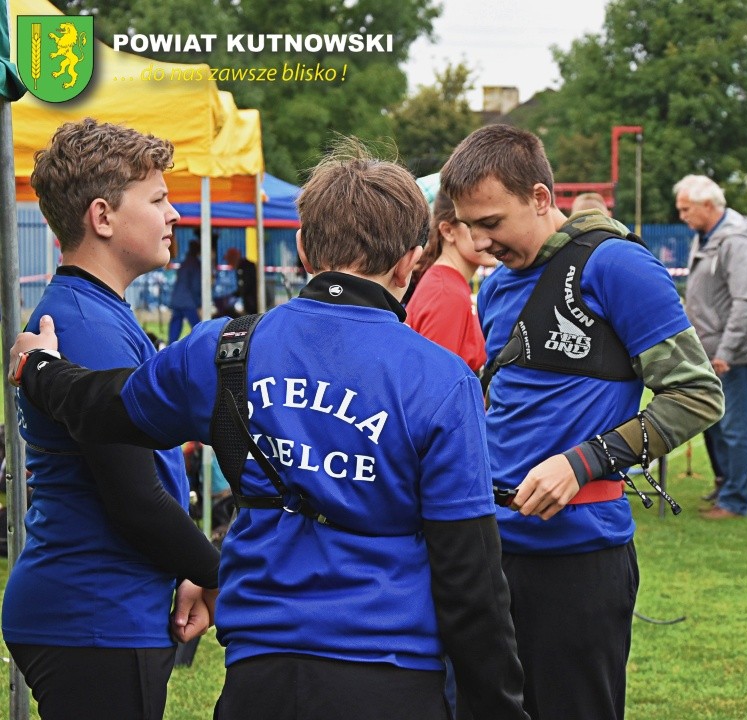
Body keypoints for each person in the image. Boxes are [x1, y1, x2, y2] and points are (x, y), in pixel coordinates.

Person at [10, 137, 529, 720]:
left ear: (303, 249)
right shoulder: (441, 379)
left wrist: (42, 366)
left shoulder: (225, 346)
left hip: (261, 676)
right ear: (412, 259)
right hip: (389, 672)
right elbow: (473, 580)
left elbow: (100, 405)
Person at [440, 124, 723, 720]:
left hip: (578, 560)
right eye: (469, 227)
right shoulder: (494, 289)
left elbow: (698, 395)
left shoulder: (616, 264)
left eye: (492, 222)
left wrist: (582, 461)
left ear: (542, 198)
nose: (481, 241)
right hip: (489, 552)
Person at [2, 118, 218, 720]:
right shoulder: (89, 327)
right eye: (158, 199)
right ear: (103, 217)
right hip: (94, 611)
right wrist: (219, 573)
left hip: (100, 608)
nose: (175, 215)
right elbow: (134, 499)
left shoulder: (99, 312)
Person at [674, 174, 747, 519]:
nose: (681, 215)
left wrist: (725, 352)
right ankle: (724, 486)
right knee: (713, 422)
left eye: (686, 208)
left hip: (733, 356)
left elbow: (746, 300)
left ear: (707, 205)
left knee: (736, 426)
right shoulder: (705, 238)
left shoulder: (736, 242)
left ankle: (735, 500)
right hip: (707, 352)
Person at [405, 189, 496, 371]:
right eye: (474, 224)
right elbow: (435, 382)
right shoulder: (446, 293)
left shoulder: (447, 283)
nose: (489, 236)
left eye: (492, 223)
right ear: (448, 231)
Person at [168, 238, 202, 342]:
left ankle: (169, 348)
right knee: (198, 328)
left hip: (177, 299)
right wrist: (198, 302)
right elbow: (196, 285)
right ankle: (201, 345)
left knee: (175, 328)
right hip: (188, 300)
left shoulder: (185, 262)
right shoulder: (195, 264)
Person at [224, 246, 258, 315]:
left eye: (229, 260)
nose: (229, 263)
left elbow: (245, 287)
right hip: (250, 303)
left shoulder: (244, 268)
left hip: (253, 304)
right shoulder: (243, 266)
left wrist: (233, 296)